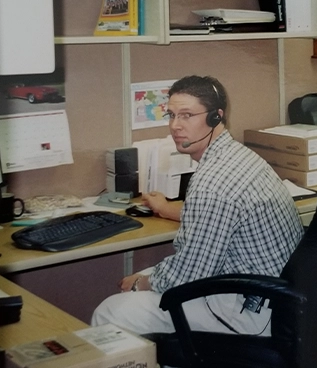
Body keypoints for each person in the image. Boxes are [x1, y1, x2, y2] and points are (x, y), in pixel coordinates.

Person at [92, 75, 304, 336]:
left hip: (250, 311)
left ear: (216, 117)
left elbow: (188, 275)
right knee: (146, 277)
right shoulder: (237, 156)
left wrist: (142, 284)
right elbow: (217, 217)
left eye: (187, 115)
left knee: (112, 310)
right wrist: (166, 209)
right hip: (274, 294)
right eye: (171, 115)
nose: (175, 126)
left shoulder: (212, 182)